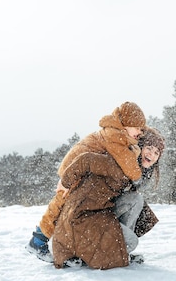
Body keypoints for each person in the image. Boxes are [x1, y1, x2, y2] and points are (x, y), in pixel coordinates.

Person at [25, 101, 146, 262]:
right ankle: (38, 241)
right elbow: (130, 167)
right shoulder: (115, 136)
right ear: (126, 125)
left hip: (78, 170)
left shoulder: (116, 134)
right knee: (61, 204)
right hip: (75, 171)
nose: (140, 132)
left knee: (62, 204)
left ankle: (42, 240)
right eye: (137, 127)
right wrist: (138, 175)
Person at [51, 127, 165, 269]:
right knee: (131, 242)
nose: (151, 155)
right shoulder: (121, 162)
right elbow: (86, 159)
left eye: (156, 153)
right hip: (85, 215)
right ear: (140, 147)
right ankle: (91, 252)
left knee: (136, 200)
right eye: (149, 148)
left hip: (101, 210)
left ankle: (116, 248)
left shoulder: (135, 171)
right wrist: (65, 181)